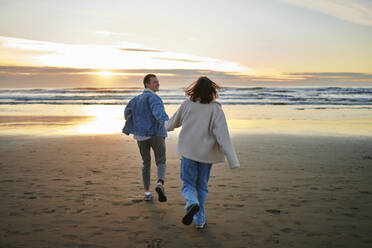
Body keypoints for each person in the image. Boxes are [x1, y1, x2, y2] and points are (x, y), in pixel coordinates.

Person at [165, 76, 240, 229]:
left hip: (188, 151)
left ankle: (192, 203)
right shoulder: (216, 109)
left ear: (195, 89)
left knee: (188, 184)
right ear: (212, 91)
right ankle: (199, 221)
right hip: (206, 155)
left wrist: (158, 126)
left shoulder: (187, 104)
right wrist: (233, 160)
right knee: (202, 186)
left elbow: (172, 123)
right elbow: (223, 136)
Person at [123, 74, 169, 202]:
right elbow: (158, 113)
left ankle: (147, 193)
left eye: (158, 81)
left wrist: (136, 123)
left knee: (146, 163)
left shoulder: (135, 99)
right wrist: (168, 123)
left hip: (140, 135)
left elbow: (127, 113)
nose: (158, 84)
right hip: (156, 133)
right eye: (155, 82)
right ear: (147, 84)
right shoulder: (154, 98)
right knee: (161, 161)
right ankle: (160, 183)